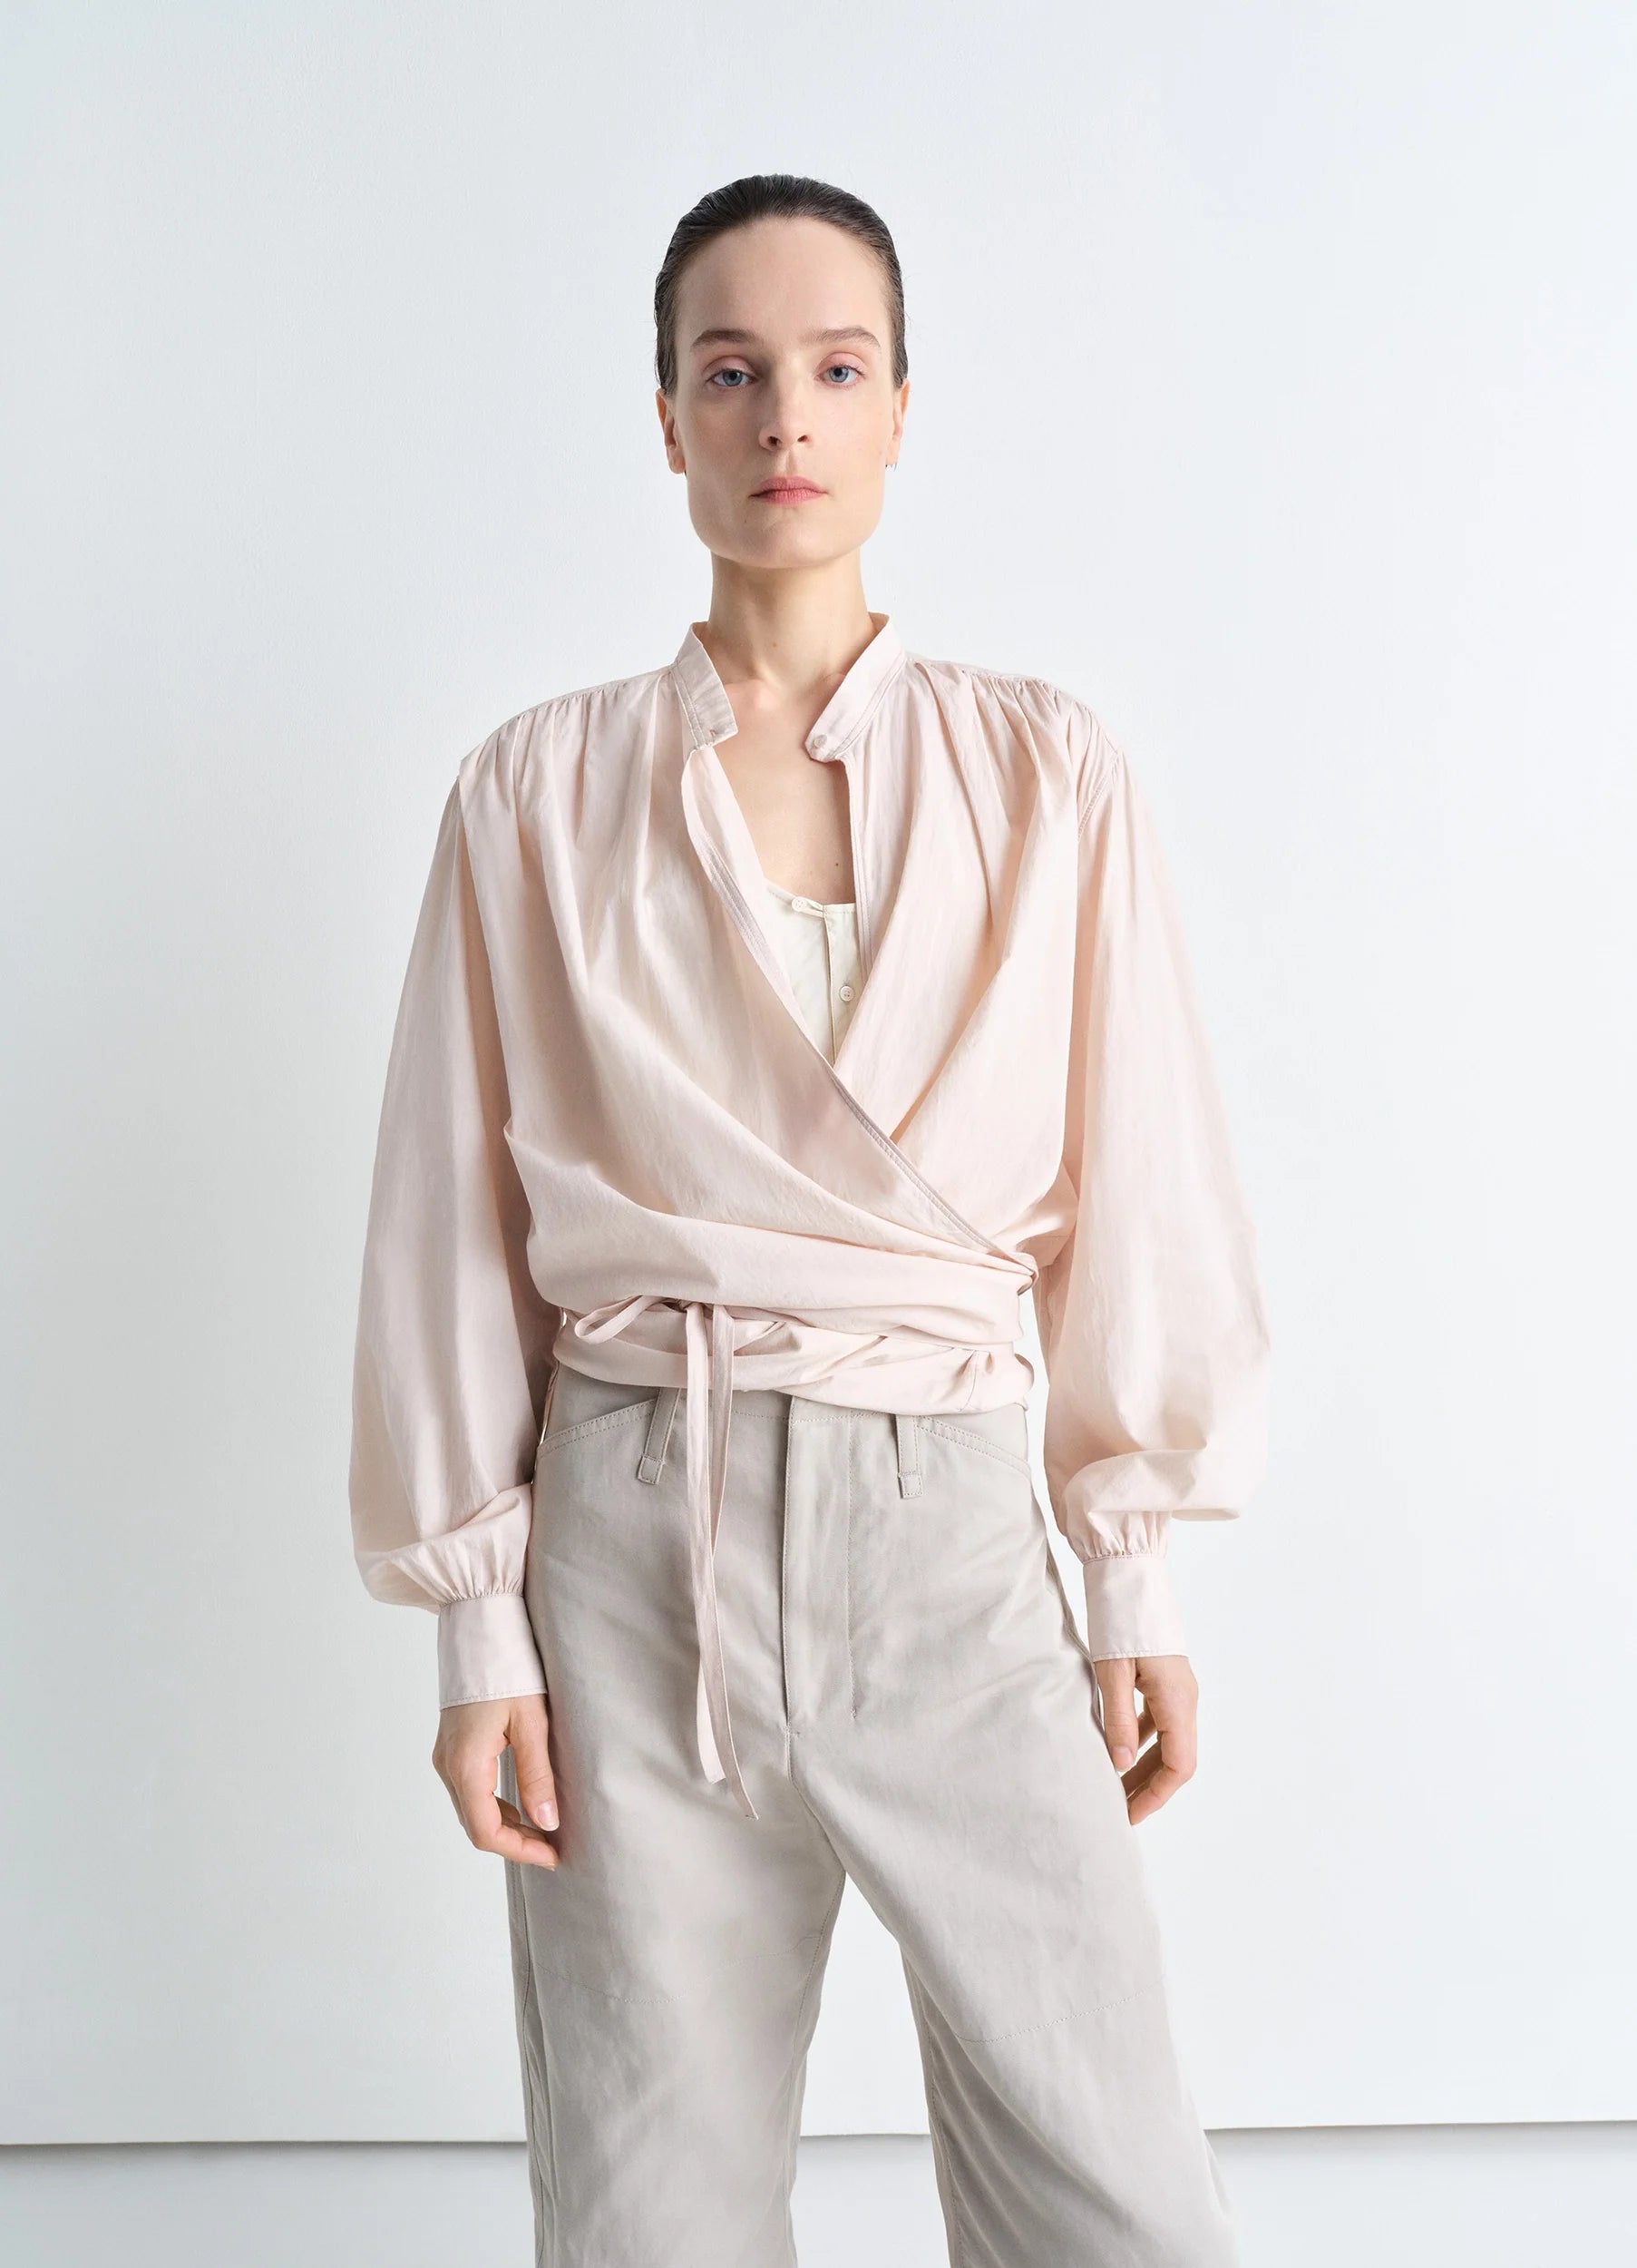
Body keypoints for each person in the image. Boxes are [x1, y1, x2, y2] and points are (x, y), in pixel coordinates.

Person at [348, 171, 1271, 2268]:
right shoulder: (534, 789)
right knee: (647, 2207)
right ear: (667, 415)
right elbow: (444, 1222)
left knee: (1116, 2189)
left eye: (838, 369)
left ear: (903, 408)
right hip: (631, 1536)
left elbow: (1141, 1178)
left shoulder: (1046, 770)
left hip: (947, 1525)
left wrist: (1130, 1570)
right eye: (733, 369)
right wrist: (477, 1625)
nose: (786, 417)